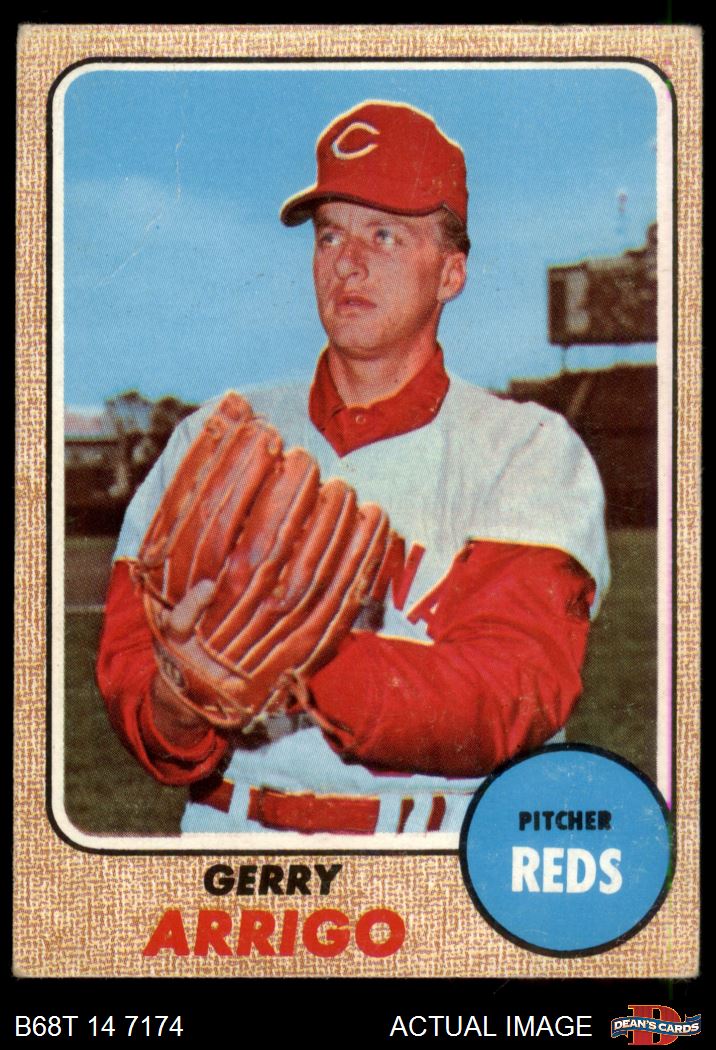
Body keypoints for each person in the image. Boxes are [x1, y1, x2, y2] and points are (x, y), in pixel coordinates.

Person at [97, 100, 610, 837]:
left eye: (385, 234)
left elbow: (511, 693)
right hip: (235, 833)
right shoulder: (217, 436)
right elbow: (131, 671)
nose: (348, 261)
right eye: (330, 233)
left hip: (442, 842)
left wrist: (303, 658)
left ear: (451, 273)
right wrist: (178, 704)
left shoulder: (527, 448)